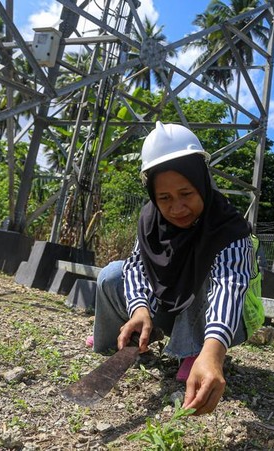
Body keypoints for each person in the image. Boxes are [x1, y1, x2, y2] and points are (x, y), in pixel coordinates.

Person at [91, 121, 263, 415]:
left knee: (207, 275)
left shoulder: (228, 228)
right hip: (172, 304)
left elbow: (228, 287)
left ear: (201, 183)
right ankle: (125, 340)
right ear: (153, 196)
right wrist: (140, 310)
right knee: (111, 275)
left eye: (186, 194)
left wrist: (213, 352)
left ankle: (195, 352)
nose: (177, 208)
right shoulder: (150, 220)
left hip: (231, 320)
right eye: (165, 198)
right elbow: (136, 266)